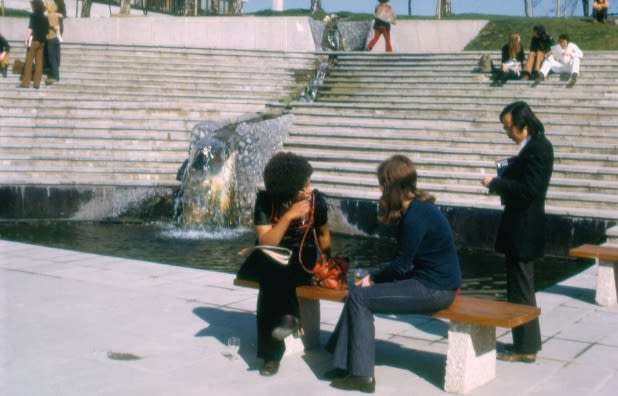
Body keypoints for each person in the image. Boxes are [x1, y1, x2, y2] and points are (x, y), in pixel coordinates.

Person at [324, 155, 461, 393]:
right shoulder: (419, 208)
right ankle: (341, 362)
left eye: (381, 185)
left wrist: (374, 278)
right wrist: (373, 279)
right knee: (359, 293)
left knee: (359, 297)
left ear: (392, 187)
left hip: (435, 289)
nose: (379, 190)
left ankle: (361, 375)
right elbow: (404, 265)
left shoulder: (415, 217)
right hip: (433, 283)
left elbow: (400, 265)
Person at [236, 152, 332, 377]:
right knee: (272, 268)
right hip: (270, 254)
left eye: (309, 183)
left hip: (301, 258)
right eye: (304, 186)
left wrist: (328, 258)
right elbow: (266, 241)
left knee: (273, 278)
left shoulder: (317, 201)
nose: (309, 189)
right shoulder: (265, 200)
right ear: (288, 189)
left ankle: (274, 348)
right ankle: (281, 334)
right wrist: (289, 216)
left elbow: (324, 234)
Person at [481, 101, 554, 363]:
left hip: (525, 227)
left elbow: (529, 191)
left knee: (522, 288)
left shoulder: (539, 149)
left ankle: (526, 349)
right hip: (520, 226)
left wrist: (496, 183)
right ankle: (526, 344)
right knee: (519, 287)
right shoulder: (532, 146)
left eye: (509, 128)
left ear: (524, 125)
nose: (507, 133)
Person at [20, 0, 49, 89]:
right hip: (42, 41)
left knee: (28, 62)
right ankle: (37, 83)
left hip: (34, 41)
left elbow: (30, 28)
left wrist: (26, 39)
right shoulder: (45, 18)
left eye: (32, 6)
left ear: (35, 6)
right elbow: (47, 31)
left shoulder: (33, 16)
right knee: (39, 63)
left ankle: (26, 83)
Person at [44, 0, 62, 85]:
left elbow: (56, 27)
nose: (45, 6)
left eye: (46, 5)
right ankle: (54, 75)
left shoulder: (50, 16)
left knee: (52, 58)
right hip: (54, 39)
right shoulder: (54, 15)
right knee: (53, 58)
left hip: (51, 39)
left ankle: (55, 76)